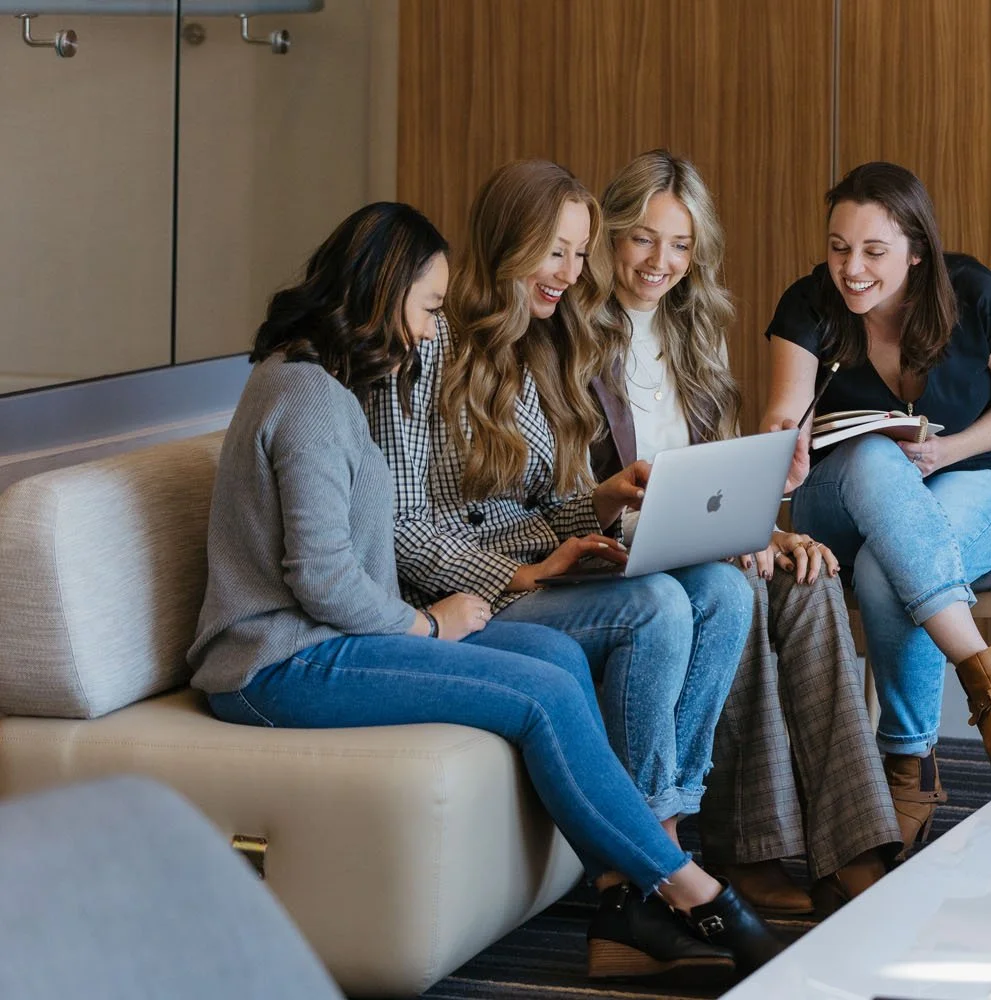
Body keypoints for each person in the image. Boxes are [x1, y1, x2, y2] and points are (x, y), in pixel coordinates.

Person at [187, 202, 780, 983]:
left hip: (329, 639)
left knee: (553, 653)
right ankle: (691, 891)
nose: (434, 330)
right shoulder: (309, 400)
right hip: (276, 663)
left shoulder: (320, 385)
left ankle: (629, 893)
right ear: (377, 293)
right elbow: (321, 577)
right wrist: (429, 624)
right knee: (540, 692)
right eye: (428, 309)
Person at [361, 164, 759, 964]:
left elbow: (533, 511)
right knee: (657, 607)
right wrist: (520, 576)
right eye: (556, 254)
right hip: (455, 596)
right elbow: (399, 530)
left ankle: (661, 841)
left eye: (580, 257)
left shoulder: (541, 344)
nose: (571, 276)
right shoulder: (422, 349)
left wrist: (601, 503)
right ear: (509, 246)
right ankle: (638, 885)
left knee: (722, 590)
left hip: (535, 570)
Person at [590, 150, 902, 916]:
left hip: (693, 542)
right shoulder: (572, 337)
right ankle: (759, 847)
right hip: (617, 551)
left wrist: (767, 525)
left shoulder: (693, 337)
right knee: (743, 585)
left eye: (682, 245)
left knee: (806, 577)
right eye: (643, 239)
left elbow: (712, 477)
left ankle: (850, 843)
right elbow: (579, 490)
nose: (661, 263)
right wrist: (731, 539)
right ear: (610, 237)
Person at [760, 162, 991, 855]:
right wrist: (786, 443)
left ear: (917, 250)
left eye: (872, 251)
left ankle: (910, 769)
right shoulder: (808, 304)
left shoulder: (973, 293)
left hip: (975, 482)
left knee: (892, 569)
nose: (850, 269)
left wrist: (947, 454)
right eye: (837, 248)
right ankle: (984, 676)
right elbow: (783, 410)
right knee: (869, 458)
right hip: (843, 503)